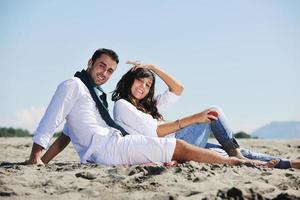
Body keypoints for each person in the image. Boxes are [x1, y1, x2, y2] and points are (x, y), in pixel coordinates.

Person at [27, 48, 256, 167]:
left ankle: (266, 162)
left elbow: (65, 135)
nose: (104, 73)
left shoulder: (96, 98)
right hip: (110, 148)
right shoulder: (74, 85)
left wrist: (44, 161)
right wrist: (34, 157)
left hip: (113, 143)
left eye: (109, 71)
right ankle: (235, 160)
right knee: (180, 145)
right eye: (101, 66)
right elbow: (51, 120)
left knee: (205, 148)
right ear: (90, 63)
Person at [112, 61, 300, 169]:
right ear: (130, 80)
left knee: (228, 152)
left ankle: (288, 164)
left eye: (147, 85)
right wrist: (195, 119)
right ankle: (236, 152)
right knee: (213, 112)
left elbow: (177, 89)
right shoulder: (122, 105)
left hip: (179, 141)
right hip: (173, 145)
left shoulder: (149, 105)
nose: (143, 87)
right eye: (140, 81)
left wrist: (152, 67)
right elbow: (156, 131)